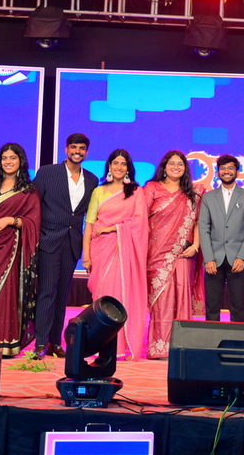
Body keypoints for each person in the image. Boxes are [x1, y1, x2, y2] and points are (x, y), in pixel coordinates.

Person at [33, 133, 98, 360]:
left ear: (86, 152)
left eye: (82, 148)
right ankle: (40, 343)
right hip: (49, 241)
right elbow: (33, 205)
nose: (77, 151)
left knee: (62, 296)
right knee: (47, 292)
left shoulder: (91, 179)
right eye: (73, 147)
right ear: (66, 149)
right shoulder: (47, 172)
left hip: (71, 244)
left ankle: (54, 343)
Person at [0, 143, 41, 356]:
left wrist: (11, 220)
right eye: (4, 158)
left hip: (11, 246)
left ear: (21, 161)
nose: (8, 162)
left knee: (7, 293)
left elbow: (34, 221)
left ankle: (6, 342)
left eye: (13, 158)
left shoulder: (28, 190)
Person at [82, 149, 148, 360]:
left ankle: (119, 346)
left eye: (123, 163)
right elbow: (89, 225)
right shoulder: (98, 191)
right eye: (115, 163)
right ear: (109, 166)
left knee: (120, 296)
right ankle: (99, 344)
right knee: (101, 297)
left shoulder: (136, 192)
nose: (119, 167)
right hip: (100, 250)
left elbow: (139, 222)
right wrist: (86, 256)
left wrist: (114, 228)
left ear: (128, 168)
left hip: (124, 253)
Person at [144, 150, 205, 359]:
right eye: (172, 163)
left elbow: (198, 222)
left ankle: (181, 346)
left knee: (181, 298)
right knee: (162, 301)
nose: (176, 167)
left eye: (180, 164)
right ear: (164, 166)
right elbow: (142, 220)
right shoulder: (152, 188)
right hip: (157, 255)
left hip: (184, 253)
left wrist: (196, 245)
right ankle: (159, 347)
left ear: (185, 168)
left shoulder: (194, 192)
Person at [199, 154, 244, 323]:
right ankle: (211, 339)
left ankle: (236, 339)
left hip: (238, 259)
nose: (226, 171)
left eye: (230, 168)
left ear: (237, 172)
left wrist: (243, 257)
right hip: (213, 260)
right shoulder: (208, 197)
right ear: (218, 172)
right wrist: (208, 258)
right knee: (212, 308)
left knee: (238, 307)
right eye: (222, 168)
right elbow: (204, 228)